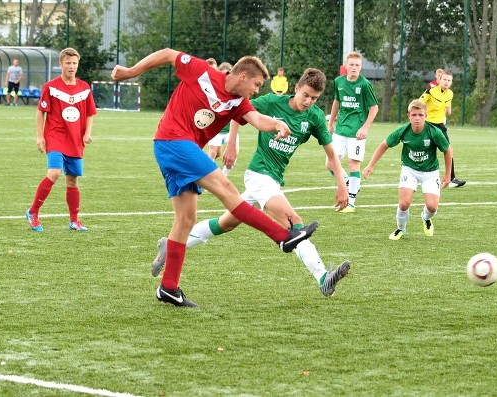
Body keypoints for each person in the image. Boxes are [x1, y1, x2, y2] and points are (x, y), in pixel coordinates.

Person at [111, 48, 319, 308]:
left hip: (181, 149)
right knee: (226, 188)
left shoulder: (238, 103)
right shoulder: (201, 71)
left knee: (186, 219)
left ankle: (168, 288)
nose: (256, 91)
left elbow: (256, 119)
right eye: (256, 85)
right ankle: (283, 237)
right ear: (243, 76)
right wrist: (131, 72)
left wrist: (276, 124)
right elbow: (166, 54)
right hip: (172, 141)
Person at [151, 68, 351, 297]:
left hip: (273, 179)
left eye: (314, 98)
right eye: (305, 95)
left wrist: (341, 184)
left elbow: (331, 152)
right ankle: (324, 278)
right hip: (258, 175)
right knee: (294, 223)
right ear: (296, 88)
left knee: (225, 224)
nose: (308, 101)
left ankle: (174, 243)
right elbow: (240, 108)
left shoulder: (314, 117)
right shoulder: (271, 102)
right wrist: (233, 143)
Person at [25, 48, 97, 233]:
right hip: (55, 136)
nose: (71, 66)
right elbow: (40, 112)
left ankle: (74, 221)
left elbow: (90, 113)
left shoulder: (84, 88)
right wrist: (40, 136)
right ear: (61, 64)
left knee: (72, 180)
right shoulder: (51, 87)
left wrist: (87, 133)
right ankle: (33, 212)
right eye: (68, 63)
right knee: (54, 173)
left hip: (75, 140)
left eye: (74, 63)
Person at [363, 99, 453, 240]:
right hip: (409, 170)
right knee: (404, 203)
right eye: (414, 115)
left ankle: (425, 218)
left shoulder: (434, 132)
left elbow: (447, 150)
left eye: (420, 115)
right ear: (408, 116)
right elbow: (384, 145)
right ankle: (401, 229)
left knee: (432, 207)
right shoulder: (403, 130)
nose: (417, 118)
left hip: (430, 172)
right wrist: (370, 165)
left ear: (426, 116)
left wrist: (448, 175)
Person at [325, 51, 379, 213]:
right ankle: (349, 182)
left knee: (353, 164)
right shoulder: (339, 82)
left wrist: (365, 128)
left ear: (360, 67)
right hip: (340, 129)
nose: (354, 67)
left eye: (357, 65)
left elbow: (374, 108)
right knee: (329, 162)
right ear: (346, 66)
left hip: (357, 132)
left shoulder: (364, 85)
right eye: (352, 65)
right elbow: (336, 101)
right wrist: (331, 122)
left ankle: (351, 203)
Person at [419, 69, 466, 187]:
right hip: (428, 125)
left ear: (451, 82)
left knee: (448, 149)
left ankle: (452, 178)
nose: (446, 82)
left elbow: (446, 108)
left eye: (449, 80)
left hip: (440, 125)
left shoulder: (450, 93)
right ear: (440, 80)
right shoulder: (431, 91)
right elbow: (419, 103)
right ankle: (418, 176)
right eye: (444, 79)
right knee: (425, 151)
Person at [206, 62, 238, 175]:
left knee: (233, 155)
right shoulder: (213, 92)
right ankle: (205, 176)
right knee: (214, 153)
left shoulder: (237, 93)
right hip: (215, 130)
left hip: (229, 131)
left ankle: (223, 178)